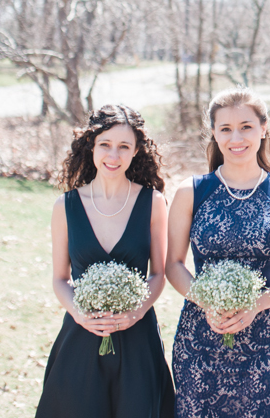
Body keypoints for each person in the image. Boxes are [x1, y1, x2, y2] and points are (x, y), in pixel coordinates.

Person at [36, 104, 174, 418]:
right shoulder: (66, 206)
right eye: (106, 145)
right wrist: (80, 314)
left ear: (136, 151)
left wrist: (135, 314)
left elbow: (159, 274)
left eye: (124, 146)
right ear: (92, 146)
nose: (114, 155)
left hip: (138, 340)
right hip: (81, 338)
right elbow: (60, 278)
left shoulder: (153, 203)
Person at [167, 88, 270, 418]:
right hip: (200, 335)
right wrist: (207, 302)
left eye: (246, 126)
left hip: (263, 336)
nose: (235, 137)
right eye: (225, 129)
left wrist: (255, 306)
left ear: (263, 129)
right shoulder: (192, 191)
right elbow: (173, 264)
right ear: (213, 132)